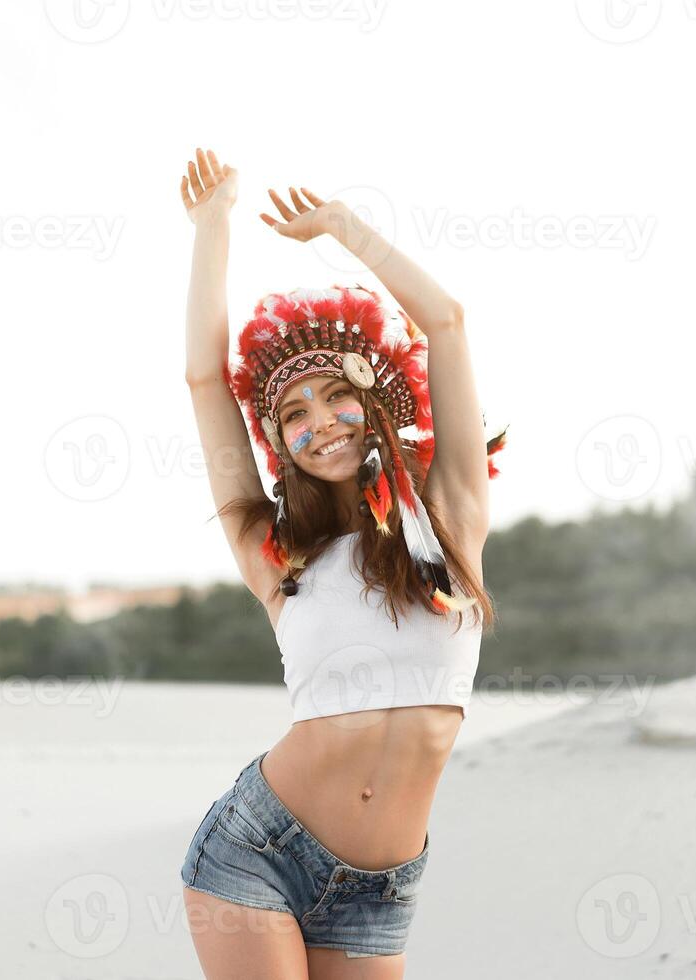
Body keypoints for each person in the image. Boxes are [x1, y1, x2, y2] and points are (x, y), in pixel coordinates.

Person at [177, 147, 507, 979]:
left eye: (336, 395)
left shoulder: (451, 520)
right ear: (277, 442)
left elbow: (449, 324)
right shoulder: (276, 555)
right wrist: (212, 227)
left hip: (381, 888)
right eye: (292, 412)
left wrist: (341, 229)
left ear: (377, 399)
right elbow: (204, 382)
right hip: (258, 849)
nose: (319, 421)